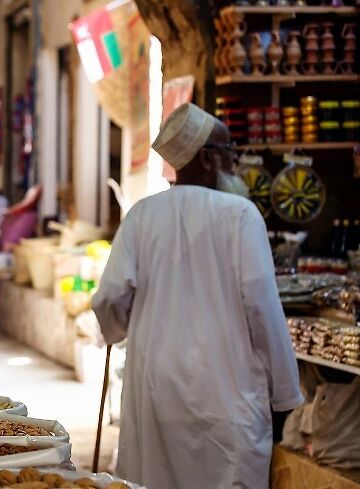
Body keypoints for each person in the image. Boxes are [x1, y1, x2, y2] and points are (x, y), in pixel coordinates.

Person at [91, 103, 303, 489]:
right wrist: (285, 394)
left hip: (155, 390)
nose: (234, 161)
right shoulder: (241, 215)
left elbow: (108, 299)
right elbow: (263, 309)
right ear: (207, 158)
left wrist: (118, 328)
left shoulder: (142, 215)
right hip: (228, 390)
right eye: (229, 152)